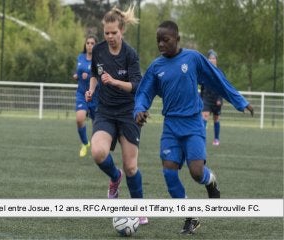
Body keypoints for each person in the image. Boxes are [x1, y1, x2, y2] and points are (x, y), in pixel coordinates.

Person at [134, 20, 254, 234]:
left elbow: (217, 79)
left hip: (192, 124)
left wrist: (240, 101)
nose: (161, 44)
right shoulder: (156, 67)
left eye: (166, 40)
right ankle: (191, 216)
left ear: (177, 39)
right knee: (170, 174)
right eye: (158, 41)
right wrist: (139, 109)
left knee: (196, 172)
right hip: (170, 126)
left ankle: (211, 181)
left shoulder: (193, 58)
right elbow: (144, 92)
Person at [85, 5, 148, 225]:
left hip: (128, 112)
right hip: (105, 111)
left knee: (131, 166)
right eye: (107, 33)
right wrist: (91, 90)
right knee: (98, 152)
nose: (110, 37)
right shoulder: (99, 51)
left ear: (122, 30)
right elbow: (94, 74)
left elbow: (137, 86)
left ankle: (139, 208)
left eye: (114, 32)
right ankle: (115, 177)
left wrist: (113, 81)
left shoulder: (130, 54)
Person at [73, 34, 98, 157]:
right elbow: (76, 72)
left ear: (96, 45)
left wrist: (88, 76)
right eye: (88, 43)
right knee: (79, 118)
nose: (89, 45)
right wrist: (76, 76)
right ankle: (85, 143)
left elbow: (101, 75)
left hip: (95, 95)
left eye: (92, 43)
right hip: (82, 93)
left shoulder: (99, 60)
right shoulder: (80, 57)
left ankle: (97, 147)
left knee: (96, 124)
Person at [200, 49, 223, 146]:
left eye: (213, 58)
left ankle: (216, 139)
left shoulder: (220, 72)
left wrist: (219, 99)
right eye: (210, 58)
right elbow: (202, 86)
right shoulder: (205, 72)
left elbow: (222, 87)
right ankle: (202, 138)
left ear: (216, 60)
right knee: (204, 116)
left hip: (216, 98)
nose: (211, 60)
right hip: (206, 97)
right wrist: (200, 97)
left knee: (216, 118)